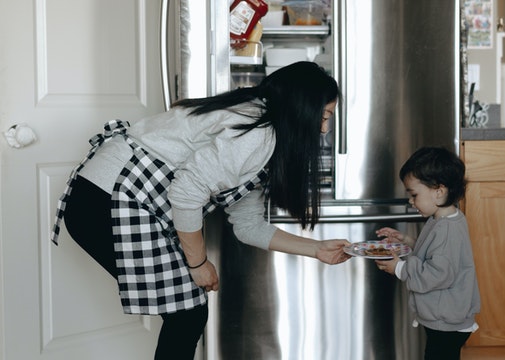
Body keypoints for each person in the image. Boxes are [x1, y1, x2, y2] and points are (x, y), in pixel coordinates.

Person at [50, 61, 352, 359]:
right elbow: (186, 193)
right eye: (323, 116)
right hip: (109, 202)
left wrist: (317, 249)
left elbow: (249, 226)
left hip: (104, 199)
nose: (324, 129)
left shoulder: (256, 123)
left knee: (187, 312)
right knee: (188, 313)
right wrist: (198, 264)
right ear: (299, 107)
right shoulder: (258, 133)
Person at [374, 146, 480, 360]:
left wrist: (400, 268)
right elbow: (435, 254)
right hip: (445, 318)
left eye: (414, 194)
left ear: (439, 191)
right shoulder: (443, 220)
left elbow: (439, 273)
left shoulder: (447, 228)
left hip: (447, 323)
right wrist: (406, 240)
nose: (411, 201)